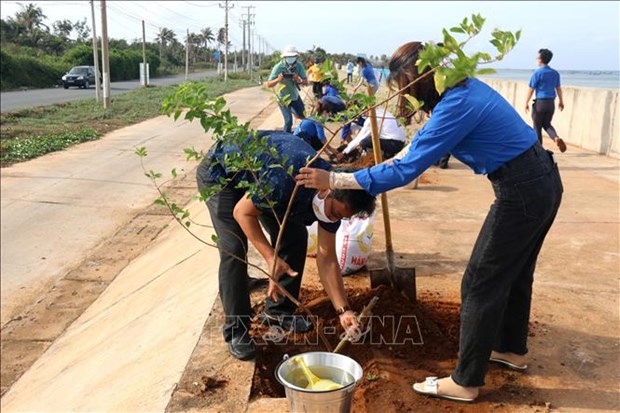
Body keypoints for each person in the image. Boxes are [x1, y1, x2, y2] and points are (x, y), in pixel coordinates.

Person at [297, 41, 563, 402]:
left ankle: (466, 381)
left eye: (406, 85)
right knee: (515, 273)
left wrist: (337, 181)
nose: (406, 94)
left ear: (420, 78)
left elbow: (406, 169)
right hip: (541, 179)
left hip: (523, 190)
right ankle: (510, 349)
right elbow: (413, 149)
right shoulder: (462, 92)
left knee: (479, 281)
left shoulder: (458, 104)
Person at [197, 131, 376, 360]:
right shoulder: (288, 178)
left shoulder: (335, 200)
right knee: (234, 247)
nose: (331, 219)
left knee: (295, 236)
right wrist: (270, 257)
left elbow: (327, 258)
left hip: (263, 182)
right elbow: (242, 212)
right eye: (333, 212)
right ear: (326, 190)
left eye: (338, 217)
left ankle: (278, 312)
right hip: (223, 174)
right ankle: (237, 330)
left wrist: (344, 310)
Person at [525, 48, 567, 153]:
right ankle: (556, 138)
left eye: (537, 58)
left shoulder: (537, 73)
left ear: (541, 59)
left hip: (540, 103)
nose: (536, 59)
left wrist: (526, 102)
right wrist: (561, 101)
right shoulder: (555, 73)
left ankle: (539, 151)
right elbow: (558, 89)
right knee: (547, 124)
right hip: (550, 104)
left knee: (537, 127)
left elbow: (531, 89)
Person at [266, 45, 308, 133]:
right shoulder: (278, 67)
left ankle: (302, 134)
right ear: (284, 57)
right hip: (283, 99)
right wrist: (278, 79)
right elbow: (269, 84)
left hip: (294, 96)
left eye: (292, 56)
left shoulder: (299, 66)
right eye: (288, 57)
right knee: (288, 121)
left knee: (303, 117)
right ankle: (286, 140)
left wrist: (298, 80)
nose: (291, 58)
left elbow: (305, 82)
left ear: (296, 57)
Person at [339, 108, 406, 160]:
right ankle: (387, 154)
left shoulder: (371, 119)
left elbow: (360, 138)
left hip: (393, 144)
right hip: (401, 143)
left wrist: (344, 152)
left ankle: (377, 158)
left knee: (364, 142)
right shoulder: (382, 111)